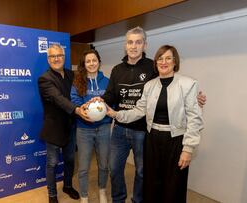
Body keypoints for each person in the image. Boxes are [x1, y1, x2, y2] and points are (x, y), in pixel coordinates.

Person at [98, 26, 206, 203]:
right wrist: (111, 110)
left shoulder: (172, 76)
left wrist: (188, 148)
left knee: (162, 180)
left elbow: (190, 112)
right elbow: (131, 105)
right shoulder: (133, 77)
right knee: (142, 178)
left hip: (160, 136)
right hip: (140, 135)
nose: (164, 62)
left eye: (138, 42)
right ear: (126, 45)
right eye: (130, 42)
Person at [38, 44, 87, 203]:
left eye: (60, 55)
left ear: (64, 57)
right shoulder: (44, 79)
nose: (56, 59)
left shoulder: (71, 75)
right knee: (52, 163)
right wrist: (78, 110)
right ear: (48, 59)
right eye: (53, 56)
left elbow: (80, 93)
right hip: (54, 128)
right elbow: (58, 99)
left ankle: (67, 186)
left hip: (71, 126)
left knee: (70, 160)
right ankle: (52, 195)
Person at [70, 49, 111, 203]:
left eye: (94, 60)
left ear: (99, 62)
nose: (92, 63)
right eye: (88, 61)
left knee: (103, 164)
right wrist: (81, 109)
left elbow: (112, 100)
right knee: (84, 167)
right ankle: (84, 196)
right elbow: (74, 100)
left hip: (104, 128)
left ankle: (102, 190)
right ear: (84, 64)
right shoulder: (78, 82)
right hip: (83, 129)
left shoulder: (107, 81)